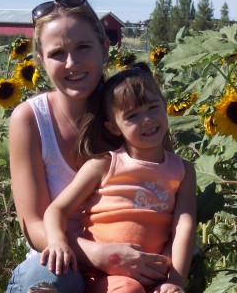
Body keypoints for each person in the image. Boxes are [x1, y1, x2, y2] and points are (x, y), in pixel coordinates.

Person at [6, 0, 170, 293]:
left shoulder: (135, 114)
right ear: (41, 61)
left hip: (128, 274)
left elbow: (167, 195)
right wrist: (101, 255)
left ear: (104, 48)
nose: (72, 63)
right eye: (57, 53)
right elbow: (32, 224)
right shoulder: (30, 120)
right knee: (51, 276)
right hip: (59, 268)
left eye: (83, 47)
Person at [40, 65, 197, 293]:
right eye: (132, 115)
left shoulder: (183, 170)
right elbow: (57, 210)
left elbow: (184, 226)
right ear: (114, 128)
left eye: (153, 107)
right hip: (102, 274)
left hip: (154, 275)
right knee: (129, 289)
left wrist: (175, 280)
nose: (146, 119)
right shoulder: (104, 164)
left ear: (165, 107)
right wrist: (57, 241)